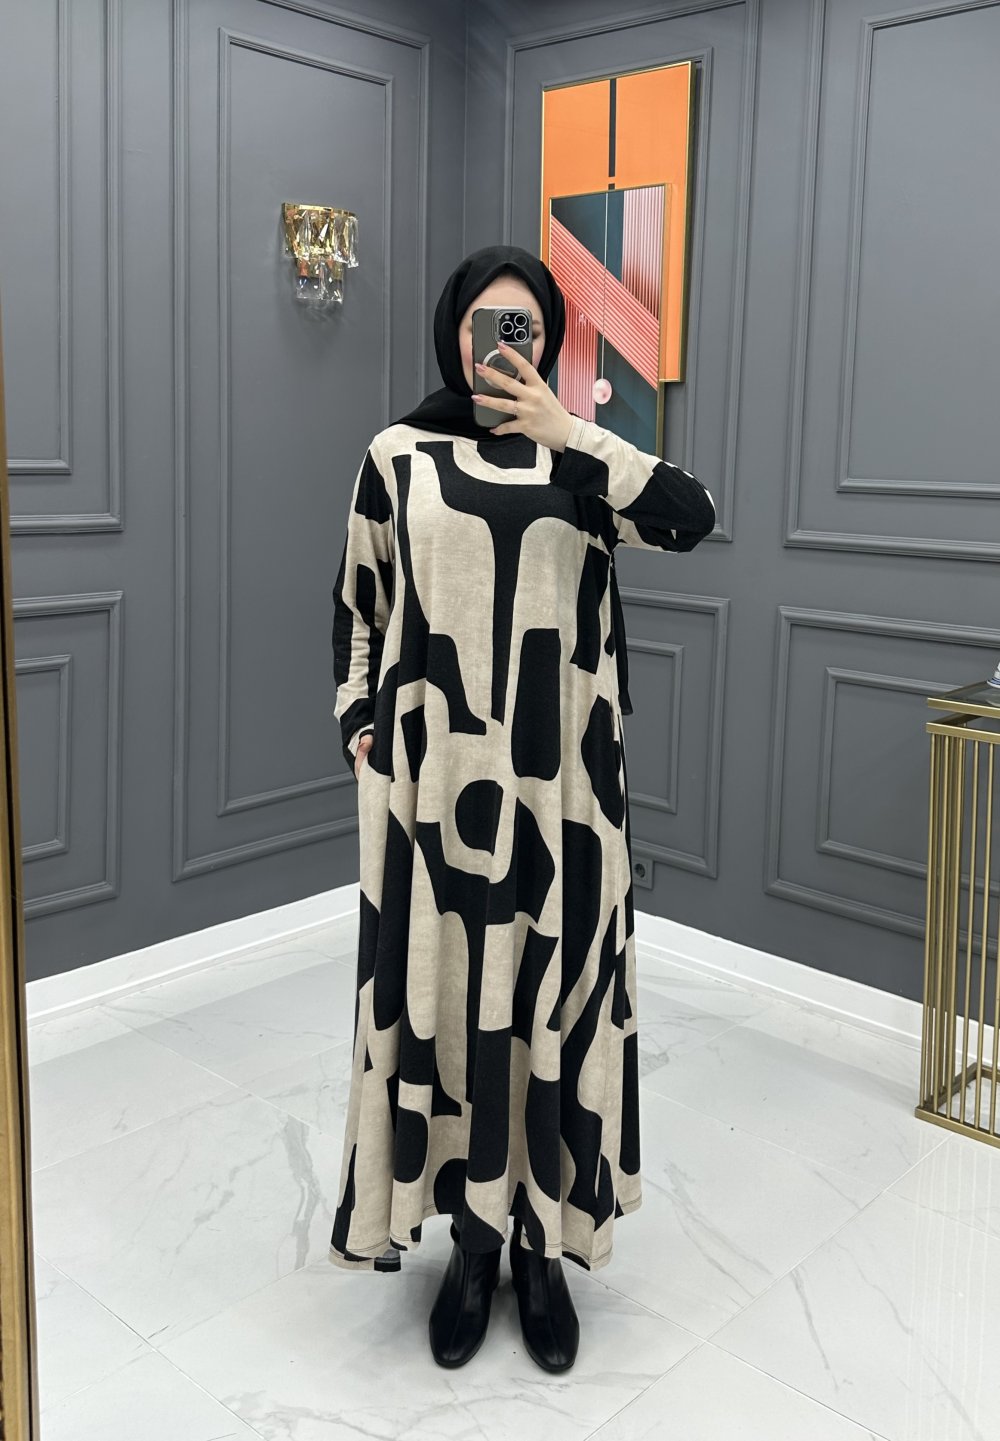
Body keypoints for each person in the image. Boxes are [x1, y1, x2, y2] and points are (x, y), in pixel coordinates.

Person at [329, 245, 716, 1372]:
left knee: (553, 1003)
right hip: (434, 797)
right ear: (452, 333)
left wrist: (571, 432)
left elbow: (691, 517)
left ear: (550, 342)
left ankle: (543, 1248)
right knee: (450, 1003)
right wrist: (359, 723)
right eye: (486, 326)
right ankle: (471, 1244)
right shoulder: (396, 455)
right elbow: (359, 605)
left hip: (565, 801)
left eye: (527, 328)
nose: (505, 346)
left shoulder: (581, 460)